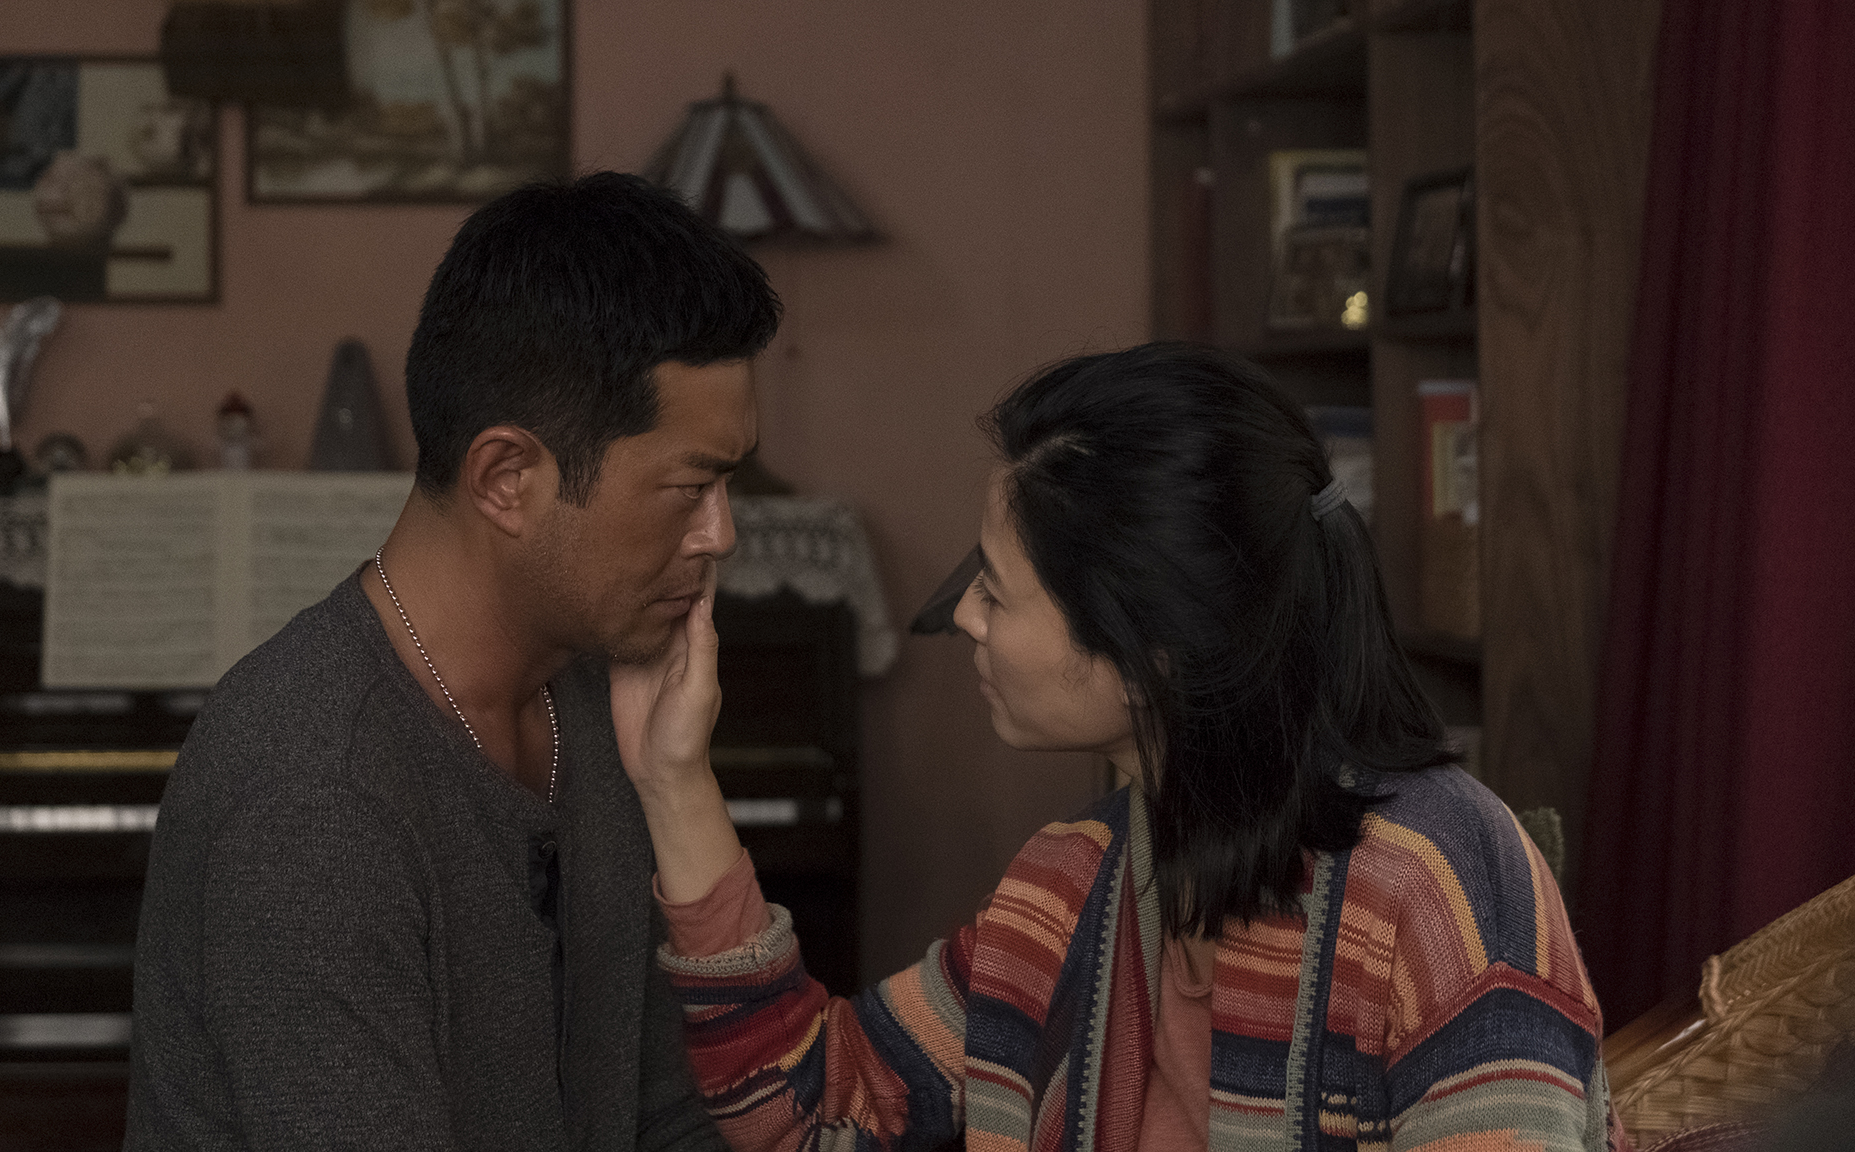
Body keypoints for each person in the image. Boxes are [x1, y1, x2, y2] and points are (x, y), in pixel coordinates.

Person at [613, 342, 1627, 1151]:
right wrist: (673, 779)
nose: (963, 617)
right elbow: (811, 1111)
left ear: (1150, 655)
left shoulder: (1439, 884)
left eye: (996, 590)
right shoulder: (1065, 889)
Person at [125, 172, 779, 1150]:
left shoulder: (602, 699)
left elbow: (671, 1117)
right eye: (690, 488)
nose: (720, 535)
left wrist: (680, 787)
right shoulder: (314, 793)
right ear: (507, 478)